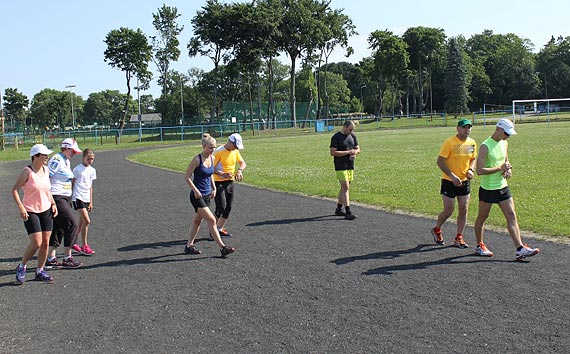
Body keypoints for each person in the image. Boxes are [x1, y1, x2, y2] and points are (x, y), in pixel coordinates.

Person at [473, 118, 540, 260]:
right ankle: (480, 245)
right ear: (498, 129)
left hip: (502, 186)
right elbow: (479, 170)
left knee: (511, 215)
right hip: (488, 188)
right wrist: (500, 168)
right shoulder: (485, 146)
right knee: (482, 217)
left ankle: (520, 248)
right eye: (506, 133)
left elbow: (505, 161)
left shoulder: (505, 143)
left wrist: (508, 169)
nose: (508, 136)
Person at [12, 144, 58, 284]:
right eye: (44, 155)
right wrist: (21, 207)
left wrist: (53, 203)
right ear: (36, 156)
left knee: (45, 242)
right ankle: (22, 266)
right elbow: (14, 190)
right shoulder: (27, 172)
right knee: (36, 242)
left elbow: (47, 190)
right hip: (31, 210)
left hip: (46, 210)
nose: (47, 157)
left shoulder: (46, 169)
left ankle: (40, 270)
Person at [184, 134, 236, 258]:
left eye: (214, 147)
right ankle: (223, 247)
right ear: (203, 146)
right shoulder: (197, 159)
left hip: (207, 194)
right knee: (212, 220)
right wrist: (196, 191)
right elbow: (187, 177)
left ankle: (189, 246)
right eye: (210, 147)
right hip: (197, 197)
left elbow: (211, 174)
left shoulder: (212, 158)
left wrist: (213, 187)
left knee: (197, 220)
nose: (212, 150)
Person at [431, 118, 477, 248]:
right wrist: (451, 176)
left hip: (464, 180)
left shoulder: (472, 143)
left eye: (469, 127)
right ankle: (437, 229)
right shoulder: (449, 143)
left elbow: (473, 158)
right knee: (448, 210)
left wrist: (471, 170)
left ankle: (459, 237)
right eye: (464, 127)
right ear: (457, 128)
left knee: (464, 209)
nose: (466, 130)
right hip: (448, 180)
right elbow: (440, 161)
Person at [45, 138, 84, 269]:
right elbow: (46, 177)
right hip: (57, 196)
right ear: (66, 148)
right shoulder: (57, 160)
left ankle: (51, 258)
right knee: (72, 223)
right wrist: (50, 199)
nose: (74, 154)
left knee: (58, 227)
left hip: (65, 196)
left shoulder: (65, 160)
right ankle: (67, 257)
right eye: (72, 151)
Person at [212, 133, 246, 237]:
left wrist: (240, 170)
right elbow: (209, 168)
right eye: (235, 145)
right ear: (230, 142)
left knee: (229, 207)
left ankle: (219, 228)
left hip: (230, 182)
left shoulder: (235, 151)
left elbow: (243, 163)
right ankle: (212, 231)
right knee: (221, 207)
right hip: (218, 182)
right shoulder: (219, 152)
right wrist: (221, 174)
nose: (236, 148)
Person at [330, 120, 361, 220]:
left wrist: (355, 153)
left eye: (352, 130)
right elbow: (333, 152)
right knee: (346, 187)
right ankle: (348, 211)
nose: (351, 131)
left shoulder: (353, 136)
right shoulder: (336, 137)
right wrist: (348, 152)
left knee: (344, 188)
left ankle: (338, 209)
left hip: (350, 165)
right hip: (340, 165)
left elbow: (358, 148)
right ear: (345, 127)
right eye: (350, 129)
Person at [71, 148, 97, 256]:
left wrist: (91, 201)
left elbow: (90, 187)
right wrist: (71, 196)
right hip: (78, 197)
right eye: (88, 159)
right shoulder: (77, 169)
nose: (90, 161)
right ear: (83, 157)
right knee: (87, 221)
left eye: (92, 159)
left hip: (86, 198)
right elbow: (72, 183)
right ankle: (84, 245)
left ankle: (73, 241)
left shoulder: (92, 170)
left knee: (82, 222)